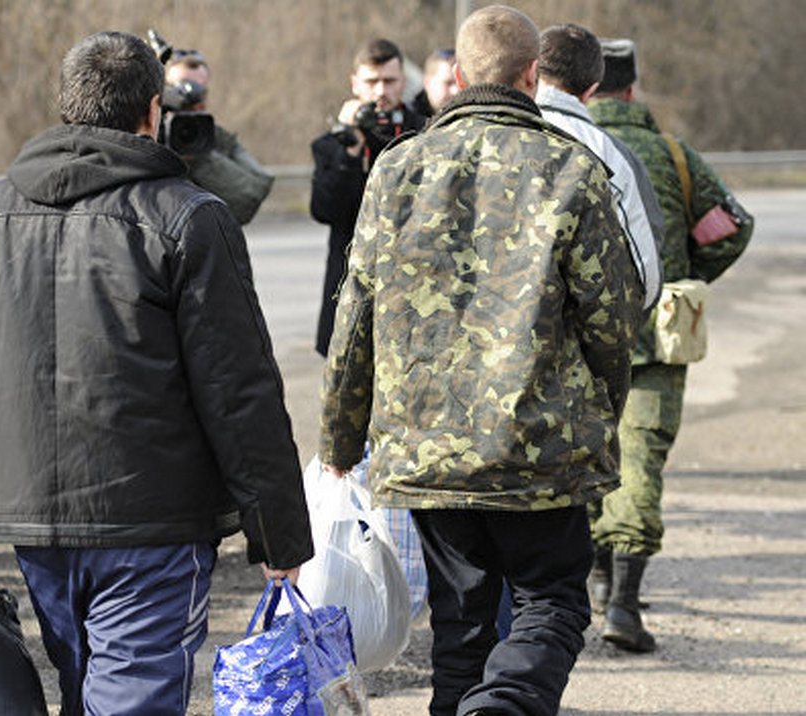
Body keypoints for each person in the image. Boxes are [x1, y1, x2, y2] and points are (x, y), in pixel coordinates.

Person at [0, 31, 312, 715]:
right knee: (124, 698)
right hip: (154, 523)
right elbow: (239, 390)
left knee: (87, 690)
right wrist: (279, 532)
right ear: (153, 111)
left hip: (35, 520)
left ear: (64, 106)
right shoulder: (189, 217)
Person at [319, 6, 638, 715]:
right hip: (538, 445)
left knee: (460, 624)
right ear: (532, 76)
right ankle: (507, 704)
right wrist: (598, 416)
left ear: (457, 77)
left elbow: (355, 316)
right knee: (551, 602)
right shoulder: (570, 168)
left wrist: (339, 439)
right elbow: (613, 322)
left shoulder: (396, 168)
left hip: (426, 446)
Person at [587, 37, 754, 653]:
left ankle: (595, 578)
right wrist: (690, 274)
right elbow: (731, 228)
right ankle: (623, 606)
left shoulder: (561, 146)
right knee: (640, 464)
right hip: (656, 343)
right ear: (632, 90)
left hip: (576, 345)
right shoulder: (674, 158)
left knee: (579, 457)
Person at [310, 38, 425, 357]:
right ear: (355, 84)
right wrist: (350, 148)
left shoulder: (427, 134)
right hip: (351, 285)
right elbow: (324, 210)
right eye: (371, 82)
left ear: (403, 81)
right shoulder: (333, 143)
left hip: (412, 287)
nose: (380, 91)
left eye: (389, 81)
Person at [537, 23, 662, 313]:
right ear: (591, 90)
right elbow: (646, 271)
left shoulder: (492, 132)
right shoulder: (612, 154)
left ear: (533, 72)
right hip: (573, 343)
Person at [163, 46, 273, 224]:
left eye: (201, 92)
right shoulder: (146, 136)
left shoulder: (214, 137)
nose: (193, 99)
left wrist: (198, 156)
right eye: (182, 89)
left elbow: (251, 196)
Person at [412, 47, 459, 117]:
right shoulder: (409, 120)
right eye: (448, 83)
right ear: (427, 83)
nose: (456, 91)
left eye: (460, 82)